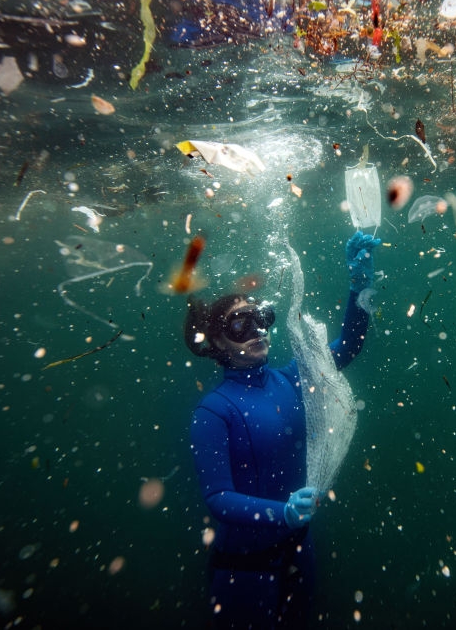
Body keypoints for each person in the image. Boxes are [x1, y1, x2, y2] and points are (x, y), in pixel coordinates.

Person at [185, 231, 381, 629]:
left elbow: (348, 346)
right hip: (244, 574)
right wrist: (284, 513)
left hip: (298, 556)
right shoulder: (213, 412)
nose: (257, 329)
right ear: (216, 341)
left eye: (262, 318)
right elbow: (219, 498)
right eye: (239, 324)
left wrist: (359, 288)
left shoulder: (291, 379)